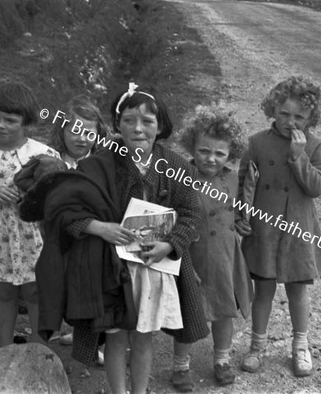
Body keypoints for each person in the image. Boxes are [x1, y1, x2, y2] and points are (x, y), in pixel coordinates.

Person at [31, 82, 209, 394]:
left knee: (142, 337)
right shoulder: (99, 164)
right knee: (116, 337)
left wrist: (169, 244)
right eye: (128, 120)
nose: (137, 128)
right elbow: (64, 210)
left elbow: (192, 213)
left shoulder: (175, 167)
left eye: (147, 121)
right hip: (110, 268)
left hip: (153, 268)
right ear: (116, 124)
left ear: (161, 125)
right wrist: (99, 227)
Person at [236, 76, 321, 377]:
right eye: (284, 114)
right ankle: (257, 346)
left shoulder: (317, 146)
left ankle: (300, 346)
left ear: (311, 118)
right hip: (264, 227)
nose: (291, 122)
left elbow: (317, 187)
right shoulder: (256, 143)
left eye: (300, 117)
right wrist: (241, 215)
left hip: (298, 229)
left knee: (298, 291)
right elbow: (243, 182)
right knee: (262, 290)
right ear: (272, 109)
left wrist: (298, 156)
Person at [0, 83, 60, 346]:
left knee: (35, 292)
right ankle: (5, 350)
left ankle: (39, 351)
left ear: (26, 121)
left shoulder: (42, 154)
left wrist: (33, 198)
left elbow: (57, 198)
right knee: (4, 292)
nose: (1, 125)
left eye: (10, 120)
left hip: (30, 232)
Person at [172, 104, 253, 390]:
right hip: (193, 256)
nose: (211, 158)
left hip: (224, 256)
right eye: (204, 150)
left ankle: (221, 360)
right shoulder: (180, 177)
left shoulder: (231, 176)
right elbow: (173, 220)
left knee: (223, 310)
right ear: (191, 146)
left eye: (220, 153)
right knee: (187, 312)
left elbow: (236, 207)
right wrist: (182, 262)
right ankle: (180, 366)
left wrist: (241, 222)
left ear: (230, 154)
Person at [47, 94, 110, 364]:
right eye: (74, 130)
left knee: (96, 290)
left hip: (93, 239)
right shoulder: (51, 160)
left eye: (88, 132)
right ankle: (78, 331)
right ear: (62, 131)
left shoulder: (102, 163)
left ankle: (102, 343)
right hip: (61, 239)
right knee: (70, 288)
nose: (81, 138)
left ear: (99, 134)